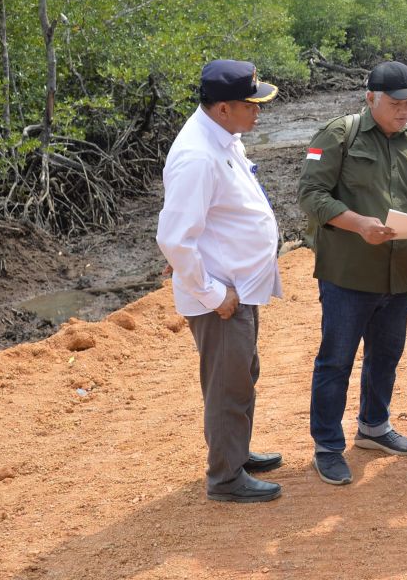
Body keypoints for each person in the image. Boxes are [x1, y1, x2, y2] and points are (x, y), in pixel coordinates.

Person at [298, 60, 407, 486]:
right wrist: (358, 223)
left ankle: (373, 427)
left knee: (386, 357)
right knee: (336, 361)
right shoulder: (339, 134)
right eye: (397, 103)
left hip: (398, 275)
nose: (406, 111)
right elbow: (310, 194)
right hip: (348, 275)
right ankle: (327, 445)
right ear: (370, 98)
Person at [156, 59, 285, 503]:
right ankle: (226, 477)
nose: (258, 112)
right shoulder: (196, 156)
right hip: (221, 295)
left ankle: (237, 452)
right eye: (252, 104)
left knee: (242, 373)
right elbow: (174, 239)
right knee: (227, 382)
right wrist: (213, 295)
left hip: (238, 285)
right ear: (224, 108)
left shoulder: (223, 137)